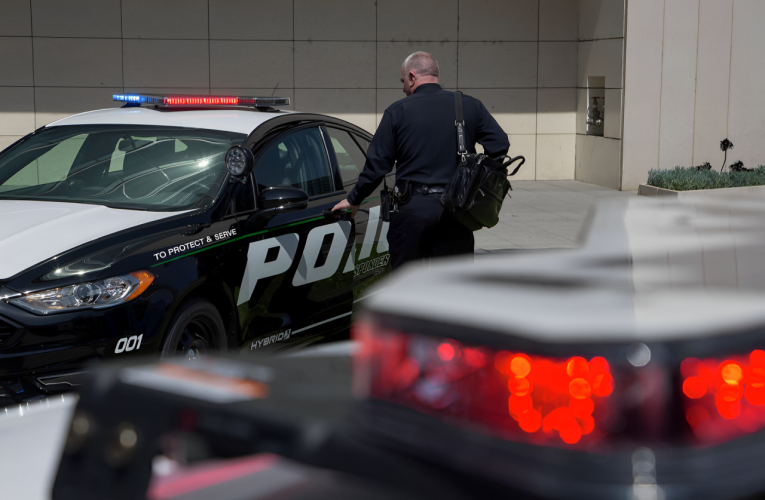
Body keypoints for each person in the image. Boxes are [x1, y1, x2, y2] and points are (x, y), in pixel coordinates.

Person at [332, 51, 509, 269]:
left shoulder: (397, 111)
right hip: (457, 213)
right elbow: (500, 146)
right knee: (454, 286)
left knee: (407, 286)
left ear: (413, 77)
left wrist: (354, 199)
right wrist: (475, 182)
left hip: (411, 212)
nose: (403, 88)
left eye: (403, 81)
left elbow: (377, 166)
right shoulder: (469, 106)